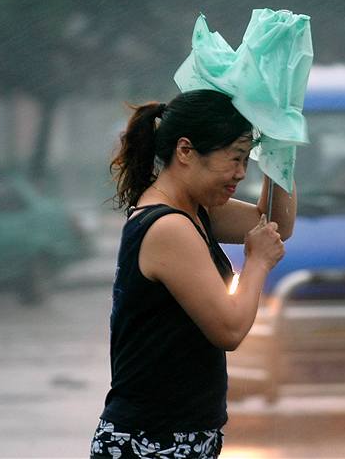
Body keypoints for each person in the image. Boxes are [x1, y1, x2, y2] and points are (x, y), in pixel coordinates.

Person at [90, 89, 296, 458]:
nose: (240, 173)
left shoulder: (195, 211)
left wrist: (280, 150)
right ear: (185, 151)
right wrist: (257, 262)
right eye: (234, 159)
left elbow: (275, 222)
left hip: (182, 438)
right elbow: (229, 329)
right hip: (151, 441)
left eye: (247, 159)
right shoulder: (168, 226)